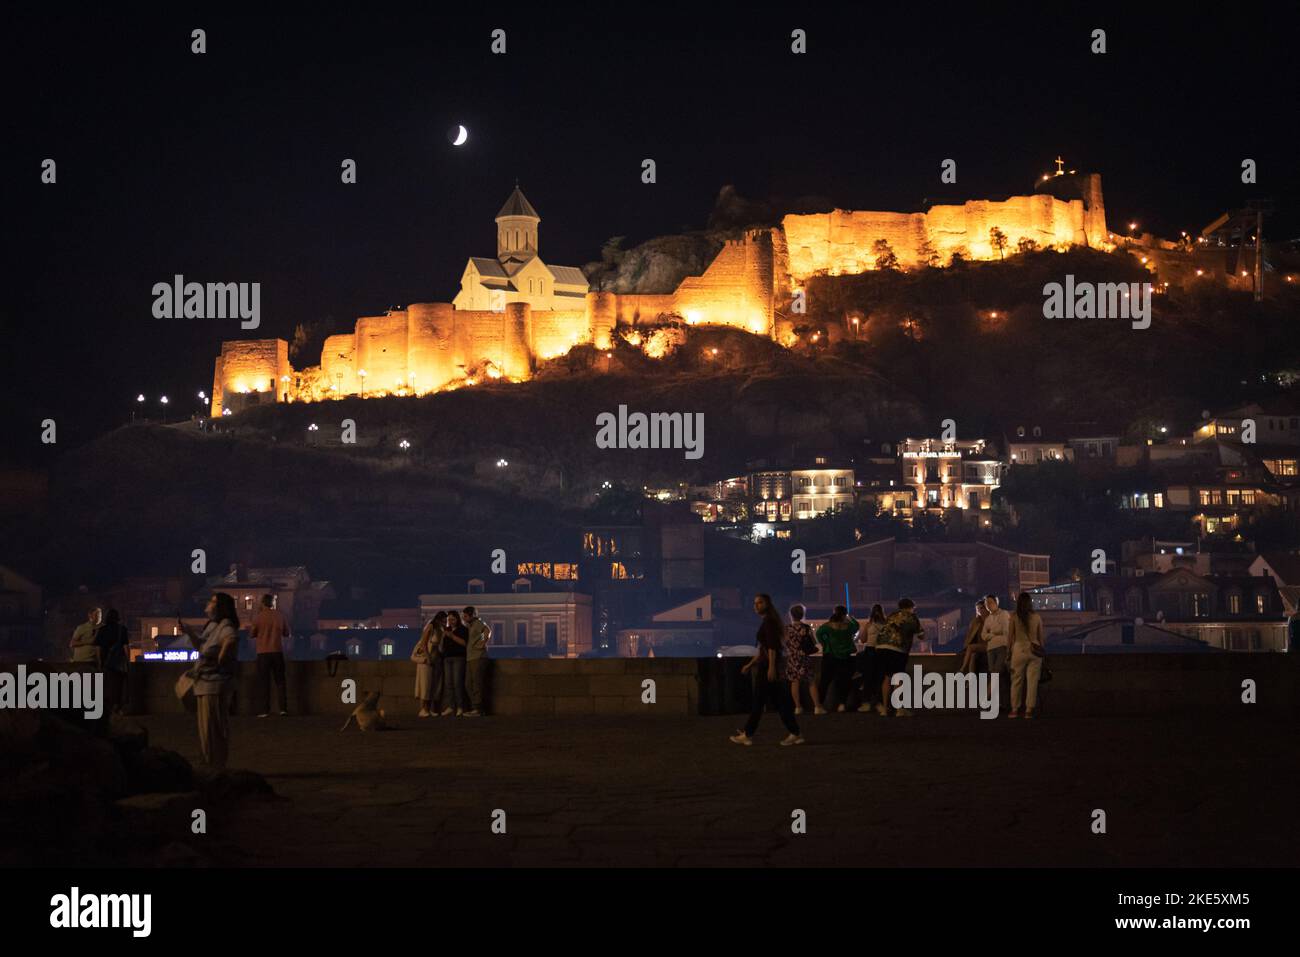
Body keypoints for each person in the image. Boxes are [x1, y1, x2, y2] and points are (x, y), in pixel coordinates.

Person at [731, 594, 803, 746]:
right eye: (755, 603)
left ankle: (748, 734)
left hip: (767, 668)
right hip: (768, 666)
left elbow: (772, 647)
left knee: (760, 702)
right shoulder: (769, 622)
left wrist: (771, 667)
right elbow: (764, 649)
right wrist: (750, 665)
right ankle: (795, 732)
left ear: (767, 604)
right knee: (779, 702)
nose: (756, 606)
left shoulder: (769, 623)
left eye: (760, 603)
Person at [178, 593, 240, 768]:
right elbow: (201, 647)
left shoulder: (225, 625)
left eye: (213, 602)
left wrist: (219, 659)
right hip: (204, 683)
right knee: (207, 728)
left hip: (214, 683)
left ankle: (215, 763)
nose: (209, 604)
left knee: (213, 728)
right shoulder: (212, 626)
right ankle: (210, 761)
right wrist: (190, 633)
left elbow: (230, 640)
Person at [874, 598, 924, 717]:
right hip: (897, 648)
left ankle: (885, 709)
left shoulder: (892, 615)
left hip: (881, 647)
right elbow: (921, 635)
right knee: (898, 677)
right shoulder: (912, 617)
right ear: (912, 607)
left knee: (887, 677)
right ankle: (899, 708)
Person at [249, 594, 290, 717]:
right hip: (277, 651)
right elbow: (287, 633)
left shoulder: (258, 617)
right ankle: (283, 709)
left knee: (263, 682)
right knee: (280, 681)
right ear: (273, 603)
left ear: (262, 603)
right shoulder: (280, 616)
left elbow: (252, 634)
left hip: (262, 653)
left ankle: (264, 711)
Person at [1007, 592, 1046, 719]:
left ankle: (1014, 709)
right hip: (1034, 651)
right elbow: (1041, 638)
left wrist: (1008, 652)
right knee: (1032, 681)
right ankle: (1029, 710)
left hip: (1019, 650)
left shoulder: (1014, 617)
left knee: (1016, 681)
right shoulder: (1037, 617)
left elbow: (1010, 637)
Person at [815, 605, 859, 711]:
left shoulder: (827, 626)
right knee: (844, 681)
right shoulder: (848, 627)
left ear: (834, 612)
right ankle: (842, 704)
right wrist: (850, 617)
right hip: (845, 658)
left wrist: (825, 644)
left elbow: (818, 633)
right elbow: (856, 625)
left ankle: (819, 705)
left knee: (824, 681)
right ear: (845, 614)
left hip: (829, 656)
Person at [782, 604, 822, 715]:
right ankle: (817, 707)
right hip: (804, 657)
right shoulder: (806, 628)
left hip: (793, 658)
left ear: (791, 615)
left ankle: (798, 707)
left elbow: (785, 643)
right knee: (811, 682)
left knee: (795, 682)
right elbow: (813, 643)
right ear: (802, 614)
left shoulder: (787, 628)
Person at [93, 608, 130, 715]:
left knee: (107, 686)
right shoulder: (122, 629)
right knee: (119, 686)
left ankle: (108, 709)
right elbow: (126, 647)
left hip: (106, 663)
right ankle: (117, 708)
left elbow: (97, 648)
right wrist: (127, 662)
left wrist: (100, 662)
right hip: (118, 663)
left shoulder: (102, 630)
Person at [413, 611, 447, 717]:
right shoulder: (431, 627)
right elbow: (423, 643)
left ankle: (428, 709)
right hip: (427, 660)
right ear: (438, 620)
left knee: (431, 686)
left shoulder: (440, 630)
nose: (445, 623)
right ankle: (423, 709)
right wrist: (428, 658)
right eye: (444, 621)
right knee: (425, 684)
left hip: (435, 660)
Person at [981, 594, 1012, 705]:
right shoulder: (988, 619)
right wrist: (993, 634)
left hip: (1002, 647)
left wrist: (991, 633)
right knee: (996, 675)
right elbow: (983, 635)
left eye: (990, 602)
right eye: (986, 603)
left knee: (996, 674)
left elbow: (1006, 632)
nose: (988, 605)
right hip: (990, 649)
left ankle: (986, 697)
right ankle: (998, 702)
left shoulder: (1004, 614)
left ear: (996, 602)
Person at [855, 604, 886, 712]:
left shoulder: (869, 625)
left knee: (868, 678)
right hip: (882, 652)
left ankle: (866, 703)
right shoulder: (886, 625)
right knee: (880, 678)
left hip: (870, 651)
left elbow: (863, 640)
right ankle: (880, 703)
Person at [440, 609, 469, 716]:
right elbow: (442, 644)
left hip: (458, 658)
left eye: (452, 619)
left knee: (457, 683)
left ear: (457, 619)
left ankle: (460, 707)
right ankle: (451, 707)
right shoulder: (446, 629)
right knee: (448, 684)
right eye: (449, 619)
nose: (450, 621)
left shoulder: (463, 630)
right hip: (447, 658)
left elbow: (464, 643)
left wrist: (452, 636)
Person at [464, 605, 490, 716]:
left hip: (478, 657)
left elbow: (487, 631)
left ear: (472, 615)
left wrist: (481, 643)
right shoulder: (470, 626)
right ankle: (476, 707)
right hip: (470, 657)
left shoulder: (478, 623)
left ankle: (478, 709)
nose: (464, 618)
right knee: (468, 684)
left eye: (465, 616)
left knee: (476, 684)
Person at [958, 599, 989, 674]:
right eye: (978, 609)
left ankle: (962, 668)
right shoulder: (975, 621)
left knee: (971, 648)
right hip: (979, 646)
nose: (980, 610)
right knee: (973, 656)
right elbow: (969, 636)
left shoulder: (991, 620)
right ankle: (971, 680)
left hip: (990, 645)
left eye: (982, 608)